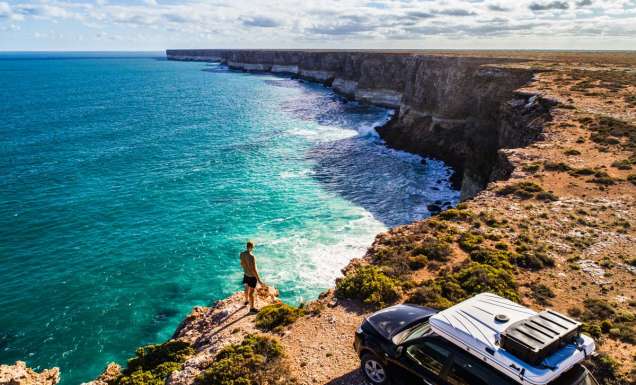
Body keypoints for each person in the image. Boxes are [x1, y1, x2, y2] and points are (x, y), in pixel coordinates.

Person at [240, 240, 262, 312]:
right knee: (251, 293)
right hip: (252, 276)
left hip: (246, 274)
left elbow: (242, 264)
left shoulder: (242, 254)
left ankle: (246, 301)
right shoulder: (252, 256)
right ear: (251, 247)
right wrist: (259, 280)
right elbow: (254, 270)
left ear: (246, 246)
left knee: (246, 287)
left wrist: (246, 270)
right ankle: (252, 308)